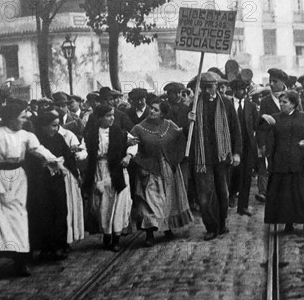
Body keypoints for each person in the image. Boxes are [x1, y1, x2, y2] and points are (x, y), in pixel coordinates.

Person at [0, 99, 60, 276]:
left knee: (19, 216)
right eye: (22, 117)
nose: (25, 120)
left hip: (18, 177)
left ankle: (20, 259)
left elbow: (39, 149)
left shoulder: (25, 135)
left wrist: (53, 160)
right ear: (11, 118)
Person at [130, 99, 193, 247]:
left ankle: (167, 228)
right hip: (149, 170)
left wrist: (189, 124)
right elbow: (131, 146)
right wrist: (140, 161)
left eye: (156, 110)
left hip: (168, 169)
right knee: (149, 203)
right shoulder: (139, 128)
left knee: (168, 201)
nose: (151, 111)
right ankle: (149, 234)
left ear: (163, 114)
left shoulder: (170, 125)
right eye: (151, 108)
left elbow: (180, 136)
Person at [187, 72, 242, 241]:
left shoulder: (226, 103)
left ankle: (222, 222)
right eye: (207, 87)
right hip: (202, 159)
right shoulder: (194, 106)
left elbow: (236, 130)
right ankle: (211, 227)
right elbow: (186, 134)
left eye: (214, 86)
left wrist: (236, 152)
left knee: (222, 193)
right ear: (201, 88)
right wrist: (188, 120)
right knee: (204, 196)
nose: (211, 90)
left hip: (222, 157)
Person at [26, 110, 83, 261]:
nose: (56, 129)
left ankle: (60, 245)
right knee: (44, 215)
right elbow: (29, 162)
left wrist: (77, 175)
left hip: (57, 181)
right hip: (40, 183)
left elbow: (69, 157)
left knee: (60, 211)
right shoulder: (35, 140)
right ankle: (46, 247)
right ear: (43, 126)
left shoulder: (58, 138)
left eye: (57, 126)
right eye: (52, 126)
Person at [80, 105, 137, 251]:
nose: (112, 118)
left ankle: (116, 238)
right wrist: (79, 153)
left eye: (112, 115)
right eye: (107, 116)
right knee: (102, 205)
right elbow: (84, 151)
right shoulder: (91, 133)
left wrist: (128, 156)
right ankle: (107, 234)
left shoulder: (119, 132)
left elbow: (134, 143)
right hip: (99, 169)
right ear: (99, 118)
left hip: (117, 170)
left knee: (119, 203)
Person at [264, 91, 304, 237]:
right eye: (281, 102)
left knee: (303, 193)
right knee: (285, 194)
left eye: (285, 102)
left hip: (301, 162)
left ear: (294, 104)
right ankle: (288, 223)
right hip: (281, 162)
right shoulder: (275, 119)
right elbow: (266, 134)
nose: (281, 104)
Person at [256, 68, 288, 203]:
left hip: (287, 140)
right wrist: (261, 144)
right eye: (270, 81)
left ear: (282, 82)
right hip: (270, 141)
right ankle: (265, 192)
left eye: (275, 81)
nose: (272, 84)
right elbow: (261, 126)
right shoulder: (265, 101)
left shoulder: (292, 97)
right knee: (266, 166)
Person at [229, 79, 259, 216]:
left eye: (243, 89)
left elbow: (255, 125)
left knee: (246, 176)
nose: (241, 92)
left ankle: (243, 206)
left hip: (247, 146)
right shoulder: (227, 104)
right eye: (238, 89)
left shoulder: (251, 106)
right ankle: (230, 199)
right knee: (232, 174)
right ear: (234, 90)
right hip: (231, 145)